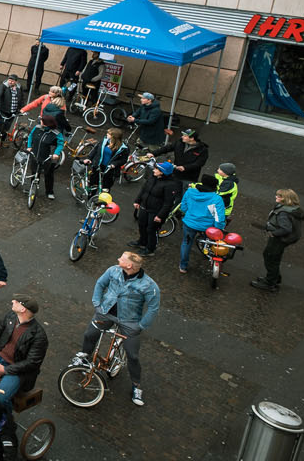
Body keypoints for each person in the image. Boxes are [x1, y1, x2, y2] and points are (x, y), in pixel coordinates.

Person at [73, 251, 160, 407]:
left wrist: (140, 326)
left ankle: (136, 386)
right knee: (90, 335)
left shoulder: (149, 285)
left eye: (122, 258)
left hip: (129, 321)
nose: (118, 259)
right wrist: (97, 304)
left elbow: (153, 308)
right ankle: (84, 357)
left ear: (129, 266)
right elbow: (100, 284)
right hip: (106, 312)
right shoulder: (113, 270)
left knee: (132, 355)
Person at [0, 295, 47, 415]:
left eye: (17, 301)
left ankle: (5, 422)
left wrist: (5, 370)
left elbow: (31, 363)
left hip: (17, 371)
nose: (12, 301)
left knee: (0, 398)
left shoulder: (39, 336)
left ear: (23, 309)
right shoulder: (11, 316)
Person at [253, 189, 304, 293]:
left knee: (270, 257)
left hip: (279, 239)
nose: (276, 197)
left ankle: (270, 283)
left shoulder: (283, 213)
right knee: (274, 257)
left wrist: (273, 233)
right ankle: (274, 278)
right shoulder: (292, 208)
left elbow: (286, 229)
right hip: (285, 239)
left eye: (279, 196)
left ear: (286, 199)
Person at [176, 173, 226, 275]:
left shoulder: (190, 192)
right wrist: (218, 229)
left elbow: (183, 207)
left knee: (186, 243)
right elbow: (219, 218)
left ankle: (183, 266)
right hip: (207, 227)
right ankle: (209, 256)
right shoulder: (216, 199)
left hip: (189, 224)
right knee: (210, 243)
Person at [130, 161, 182, 257]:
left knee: (151, 230)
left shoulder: (170, 185)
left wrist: (160, 216)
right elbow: (143, 190)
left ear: (162, 172)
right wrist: (137, 201)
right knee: (142, 225)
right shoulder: (152, 178)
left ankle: (150, 249)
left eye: (156, 169)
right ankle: (142, 242)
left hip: (156, 211)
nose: (154, 170)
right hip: (144, 207)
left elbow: (168, 203)